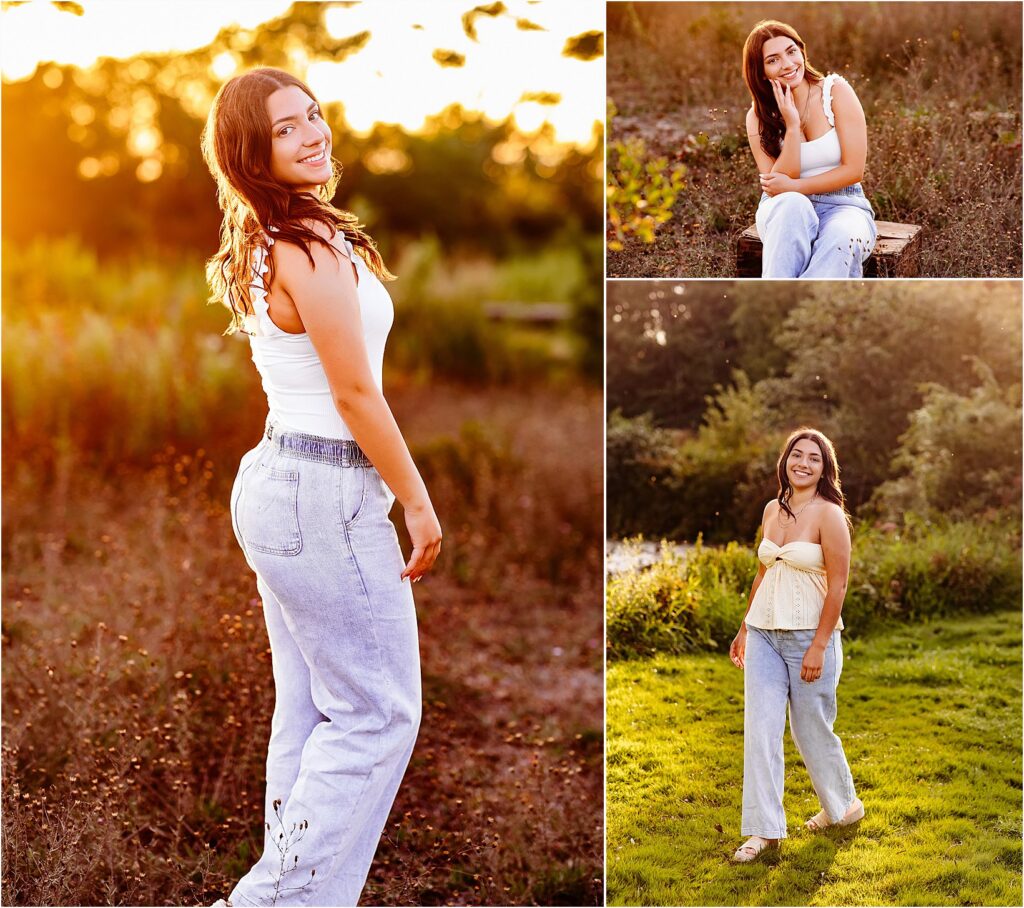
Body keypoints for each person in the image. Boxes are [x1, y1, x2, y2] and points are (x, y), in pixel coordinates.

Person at [200, 67, 442, 906]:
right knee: (378, 716)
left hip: (278, 481)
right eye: (286, 128)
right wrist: (414, 498)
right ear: (251, 152)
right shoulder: (303, 244)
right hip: (321, 492)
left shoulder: (274, 236)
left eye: (315, 115)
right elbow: (354, 393)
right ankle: (269, 899)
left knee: (309, 711)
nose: (313, 133)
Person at [728, 429, 864, 862]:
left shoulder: (830, 515)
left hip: (810, 637)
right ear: (785, 459)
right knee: (761, 730)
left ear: (825, 469)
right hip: (764, 633)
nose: (803, 463)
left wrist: (819, 646)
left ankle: (842, 807)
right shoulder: (772, 509)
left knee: (812, 731)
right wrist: (745, 627)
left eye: (814, 458)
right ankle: (763, 831)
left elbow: (838, 584)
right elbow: (765, 572)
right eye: (797, 455)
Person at [742, 20, 877, 278]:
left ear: (802, 51)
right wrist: (792, 127)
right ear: (760, 72)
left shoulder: (836, 91)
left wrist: (795, 187)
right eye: (773, 60)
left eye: (791, 51)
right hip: (784, 210)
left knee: (841, 237)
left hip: (845, 204)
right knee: (793, 205)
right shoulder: (758, 116)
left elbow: (854, 171)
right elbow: (777, 187)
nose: (788, 64)